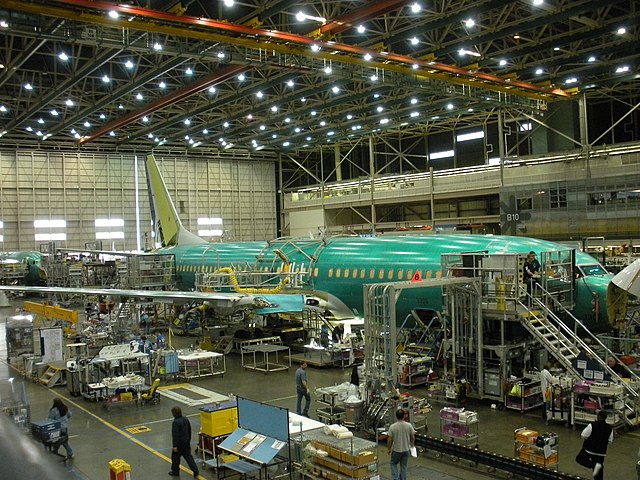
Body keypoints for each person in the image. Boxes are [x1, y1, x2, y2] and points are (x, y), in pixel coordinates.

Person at [580, 410, 613, 480]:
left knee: (580, 459)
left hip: (589, 449)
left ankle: (594, 465)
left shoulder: (592, 425)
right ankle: (597, 468)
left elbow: (583, 435)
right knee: (599, 473)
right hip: (601, 452)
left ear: (598, 416)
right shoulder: (610, 428)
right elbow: (610, 441)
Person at [169, 406, 199, 478]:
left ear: (174, 414)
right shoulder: (185, 419)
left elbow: (175, 435)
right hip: (186, 442)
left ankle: (175, 471)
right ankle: (195, 470)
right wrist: (188, 440)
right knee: (188, 457)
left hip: (179, 444)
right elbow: (189, 430)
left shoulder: (175, 422)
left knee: (175, 458)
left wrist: (175, 446)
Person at [387, 409, 416, 480]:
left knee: (393, 464)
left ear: (396, 416)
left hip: (396, 450)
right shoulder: (409, 425)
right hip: (406, 450)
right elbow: (412, 437)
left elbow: (390, 439)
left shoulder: (392, 427)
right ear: (404, 416)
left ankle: (396, 478)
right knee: (404, 466)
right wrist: (412, 445)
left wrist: (389, 449)